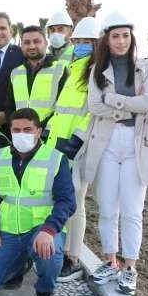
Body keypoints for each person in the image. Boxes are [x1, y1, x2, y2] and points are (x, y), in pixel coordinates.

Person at [76, 12, 148, 296]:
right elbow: (94, 106)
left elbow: (147, 103)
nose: (121, 41)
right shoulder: (97, 71)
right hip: (107, 143)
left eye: (125, 36)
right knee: (108, 208)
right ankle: (110, 261)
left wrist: (112, 99)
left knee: (132, 211)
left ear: (131, 38)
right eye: (115, 36)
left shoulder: (146, 68)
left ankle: (130, 267)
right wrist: (127, 107)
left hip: (135, 144)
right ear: (107, 40)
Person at [0, 108, 76, 296]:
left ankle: (45, 291)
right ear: (10, 131)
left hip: (41, 230)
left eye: (28, 130)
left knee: (50, 251)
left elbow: (67, 201)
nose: (22, 134)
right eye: (16, 130)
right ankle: (20, 265)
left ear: (38, 131)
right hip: (8, 231)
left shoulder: (56, 159)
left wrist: (49, 230)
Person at [44, 17, 99, 282]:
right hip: (58, 142)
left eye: (87, 42)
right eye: (78, 41)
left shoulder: (96, 72)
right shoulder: (74, 68)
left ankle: (73, 258)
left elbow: (93, 111)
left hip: (77, 146)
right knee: (63, 199)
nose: (81, 45)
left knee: (76, 201)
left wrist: (77, 139)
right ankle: (63, 251)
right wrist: (49, 130)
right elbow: (62, 108)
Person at [4, 25, 68, 128]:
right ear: (21, 45)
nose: (31, 46)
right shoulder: (15, 73)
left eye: (36, 41)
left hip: (48, 132)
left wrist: (40, 129)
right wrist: (17, 128)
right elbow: (9, 107)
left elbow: (63, 106)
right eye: (27, 42)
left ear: (46, 43)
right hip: (21, 133)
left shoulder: (60, 69)